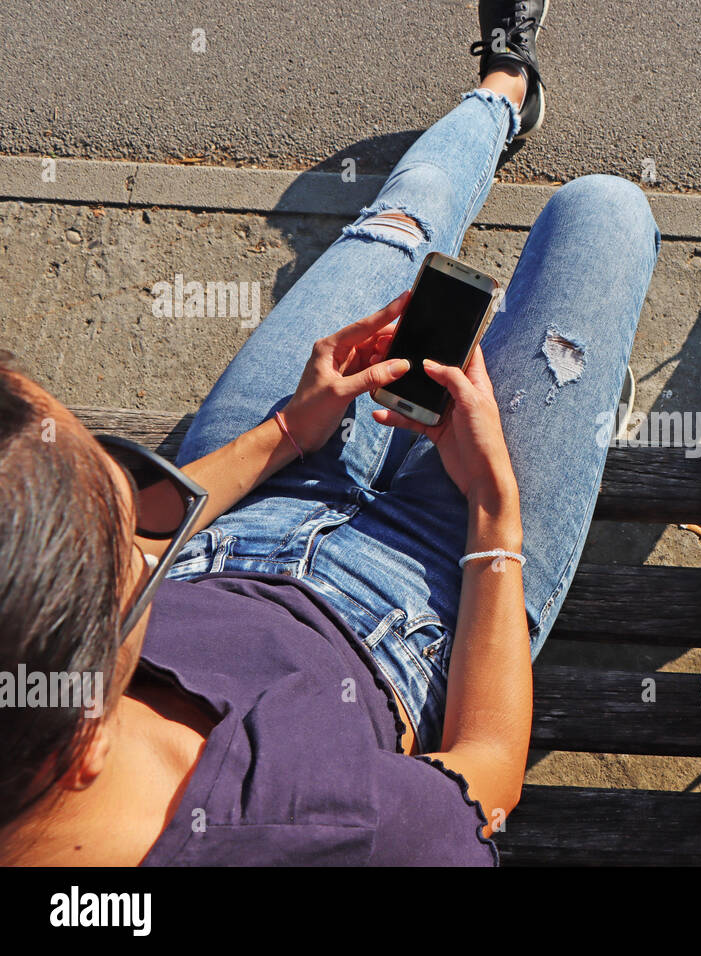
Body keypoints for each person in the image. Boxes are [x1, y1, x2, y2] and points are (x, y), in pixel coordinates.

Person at [0, 0, 660, 865]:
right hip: (435, 589)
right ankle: (503, 89)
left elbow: (169, 523)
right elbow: (486, 778)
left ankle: (502, 90)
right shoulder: (339, 836)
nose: (144, 510)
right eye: (120, 543)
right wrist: (496, 509)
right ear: (86, 739)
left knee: (395, 230)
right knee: (604, 211)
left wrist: (285, 429)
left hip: (260, 484)